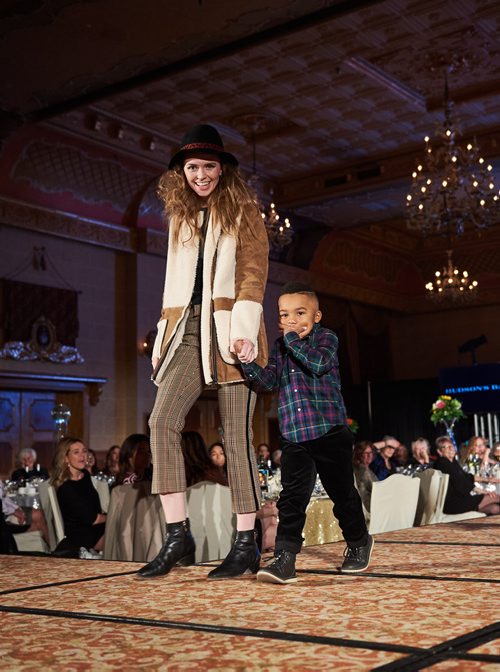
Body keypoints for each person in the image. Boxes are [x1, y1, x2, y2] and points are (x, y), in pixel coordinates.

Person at [138, 124, 269, 580]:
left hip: (231, 327)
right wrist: (162, 333)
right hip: (187, 330)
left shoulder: (243, 211)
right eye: (192, 167)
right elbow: (172, 281)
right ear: (182, 172)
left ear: (222, 169)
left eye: (208, 166)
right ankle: (178, 534)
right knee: (161, 421)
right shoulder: (181, 216)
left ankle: (247, 542)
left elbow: (253, 272)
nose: (200, 175)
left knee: (236, 438)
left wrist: (245, 331)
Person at [237, 282, 373, 584]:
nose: (292, 320)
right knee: (291, 499)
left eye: (300, 313)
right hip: (295, 435)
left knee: (341, 493)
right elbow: (268, 382)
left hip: (329, 431)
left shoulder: (326, 339)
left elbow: (318, 363)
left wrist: (291, 342)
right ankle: (285, 558)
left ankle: (359, 541)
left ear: (317, 315)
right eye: (285, 315)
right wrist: (247, 362)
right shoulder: (279, 346)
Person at [50, 437, 106, 557]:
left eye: (84, 451)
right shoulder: (66, 487)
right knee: (125, 531)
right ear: (65, 458)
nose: (82, 455)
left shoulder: (85, 475)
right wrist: (115, 516)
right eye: (76, 452)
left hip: (97, 528)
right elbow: (92, 519)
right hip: (81, 536)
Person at [433, 436, 500, 516]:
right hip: (454, 504)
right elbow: (459, 481)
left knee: (495, 509)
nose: (450, 449)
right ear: (439, 451)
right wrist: (482, 491)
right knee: (496, 497)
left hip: (461, 500)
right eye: (445, 447)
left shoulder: (452, 462)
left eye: (451, 446)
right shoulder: (442, 463)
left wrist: (487, 479)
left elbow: (467, 477)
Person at [352, 441, 378, 513]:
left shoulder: (364, 468)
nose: (369, 455)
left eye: (371, 453)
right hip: (366, 509)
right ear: (359, 455)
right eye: (366, 453)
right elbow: (376, 488)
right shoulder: (362, 469)